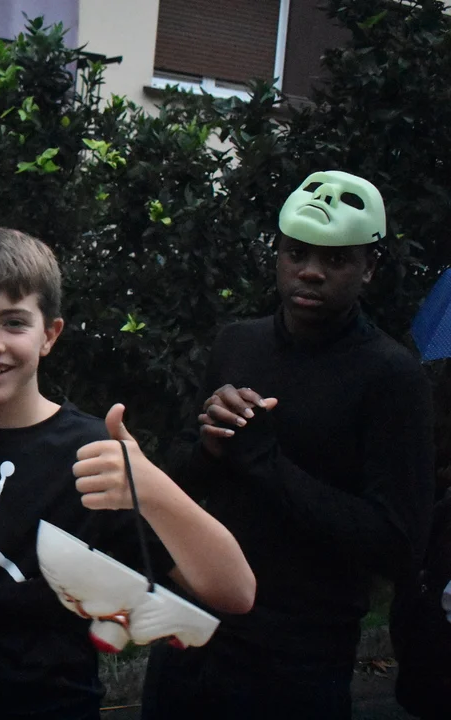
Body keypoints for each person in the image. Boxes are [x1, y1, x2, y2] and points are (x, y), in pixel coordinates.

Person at [0, 227, 256, 719]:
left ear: (49, 335)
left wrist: (152, 488)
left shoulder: (93, 456)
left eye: (14, 323)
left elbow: (235, 591)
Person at [141, 171, 435, 719]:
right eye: (296, 253)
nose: (311, 271)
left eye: (336, 259)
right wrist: (210, 445)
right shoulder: (238, 343)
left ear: (369, 267)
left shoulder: (391, 377)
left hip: (298, 655)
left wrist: (266, 462)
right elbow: (177, 480)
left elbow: (397, 543)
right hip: (192, 631)